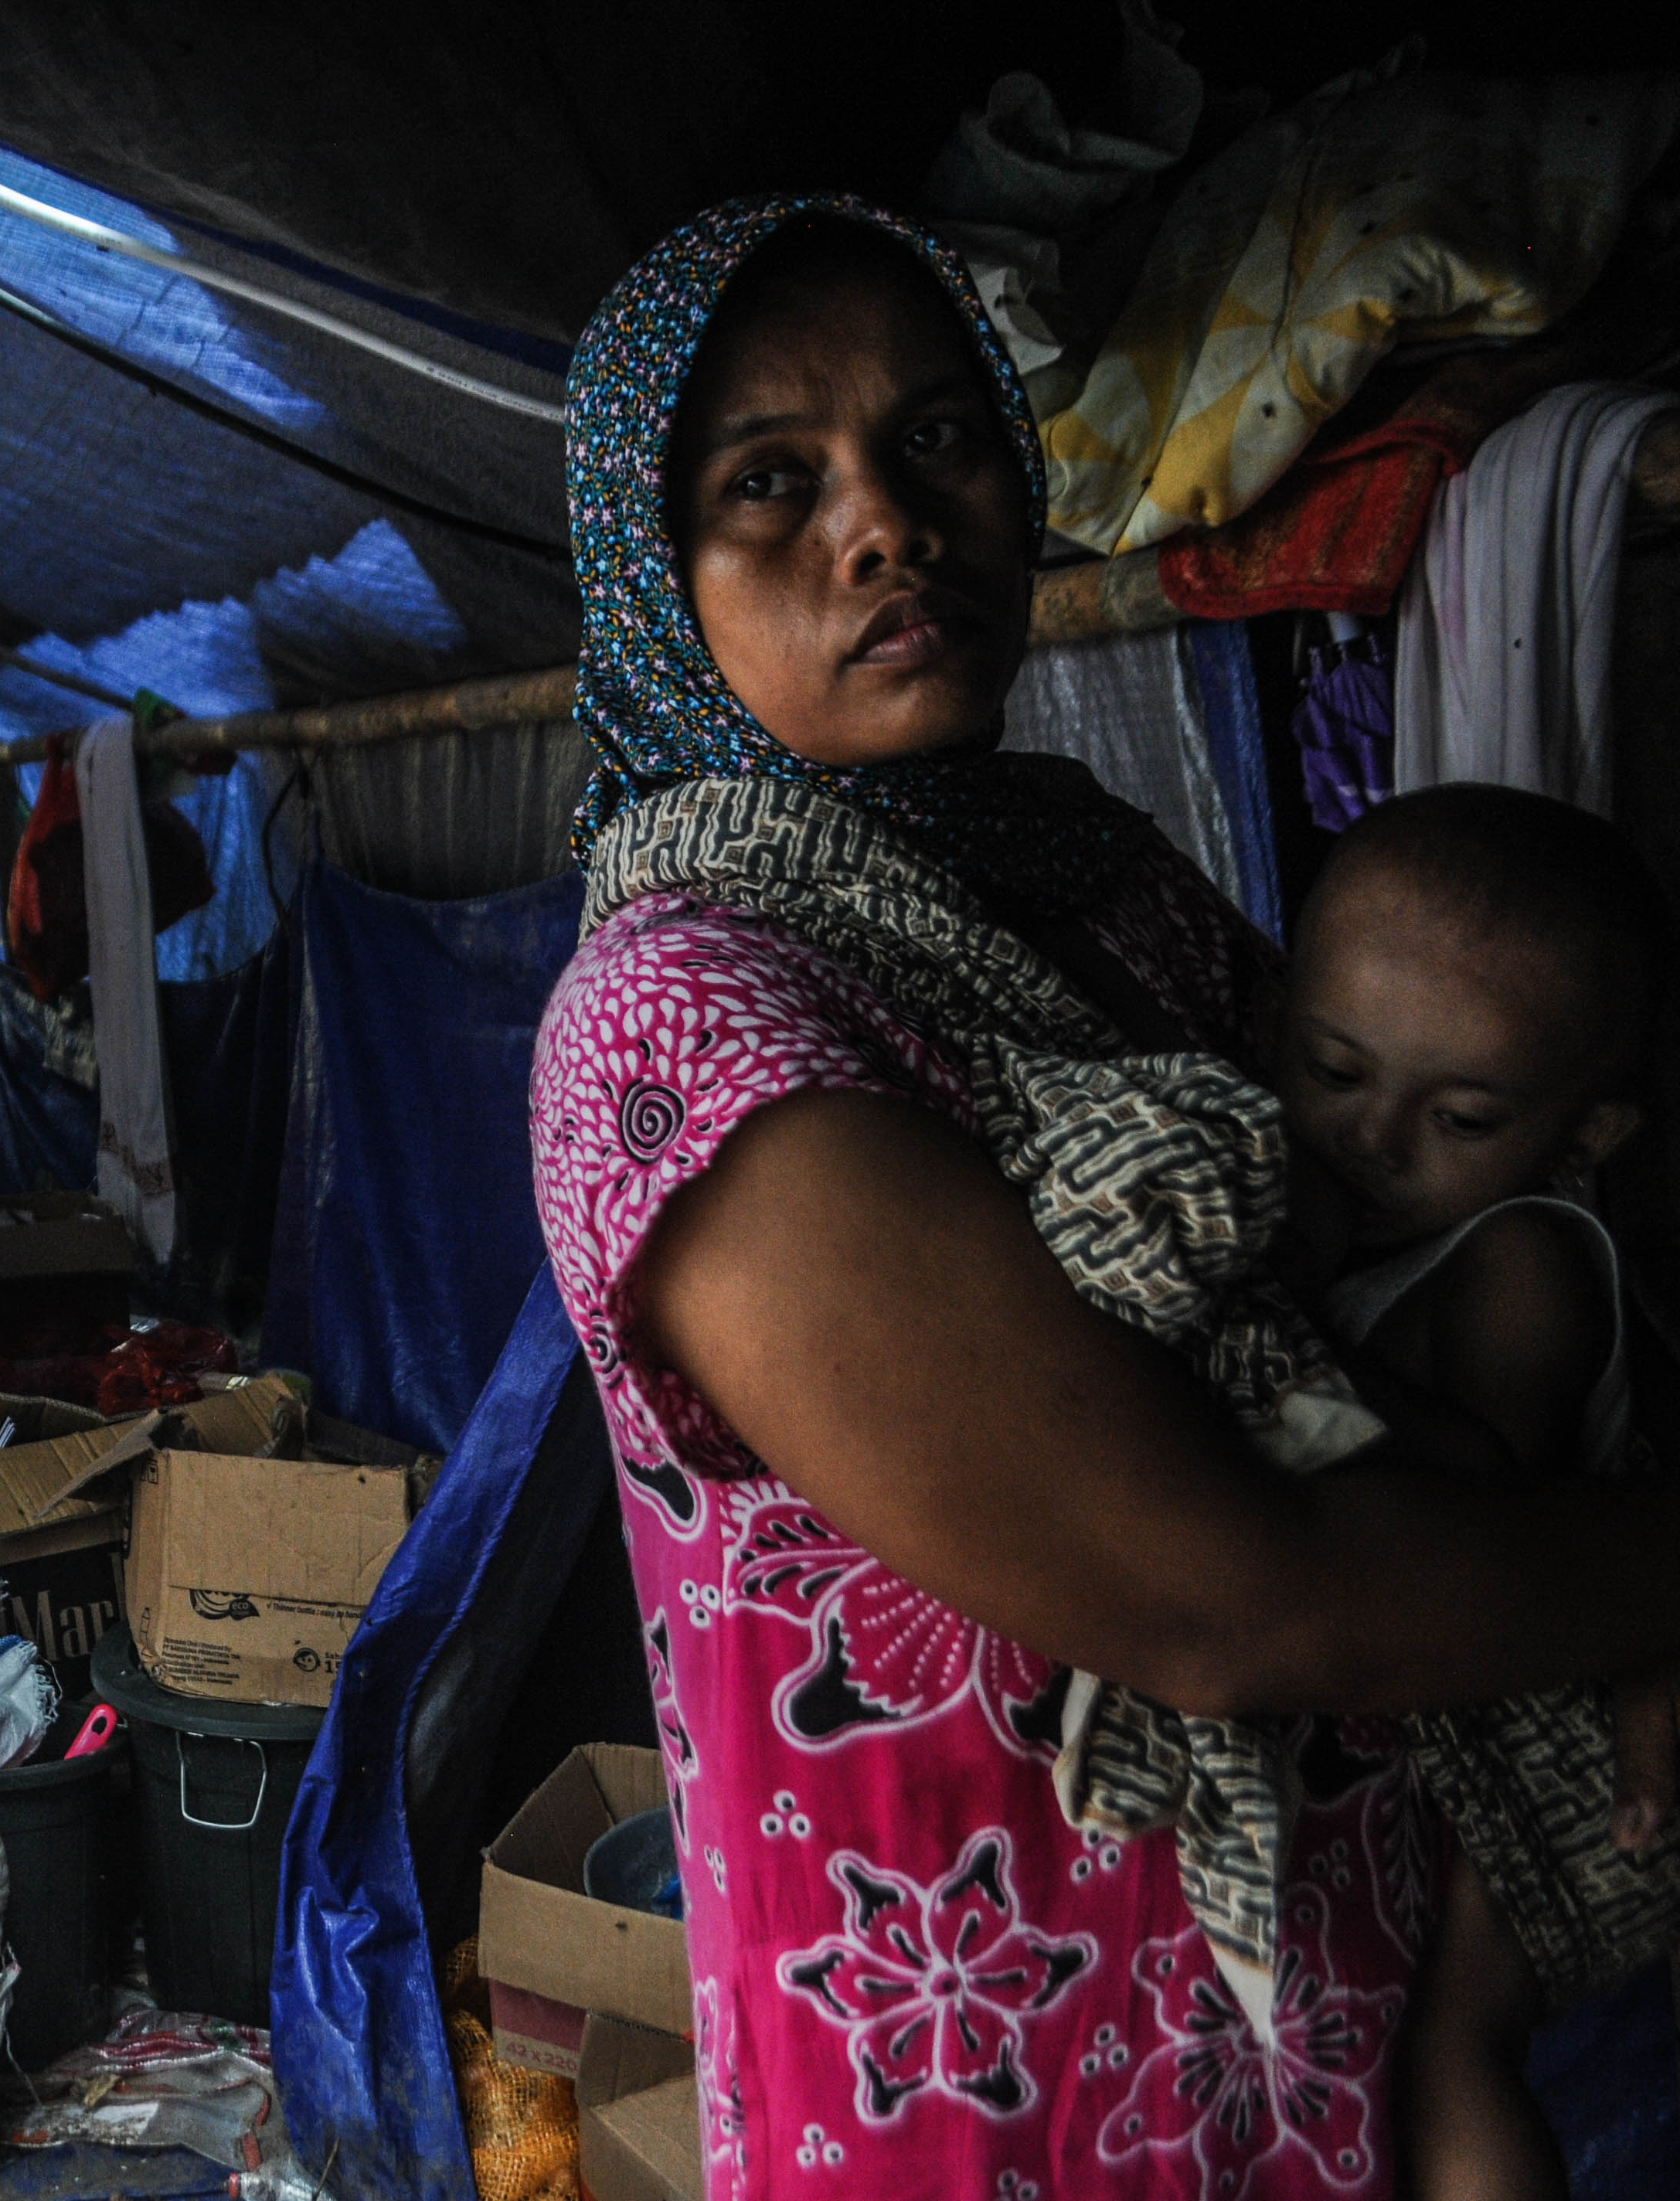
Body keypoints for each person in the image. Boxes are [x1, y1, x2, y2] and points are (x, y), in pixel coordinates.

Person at [527, 196, 1680, 2200]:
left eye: (937, 438)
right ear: (647, 573)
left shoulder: (1095, 883)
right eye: (770, 483)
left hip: (1319, 2040)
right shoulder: (686, 1024)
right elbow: (1224, 1596)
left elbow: (1363, 1266)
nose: (886, 526)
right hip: (1001, 2090)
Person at [1268, 784, 1673, 2201]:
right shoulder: (1377, 1223)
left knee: (1451, 2048)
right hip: (1477, 1711)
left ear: (1585, 1135)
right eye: (1332, 1070)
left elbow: (1487, 1483)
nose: (1372, 1139)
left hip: (1566, 1743)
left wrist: (1280, 1342)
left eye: (1461, 1117)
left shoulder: (1522, 1257)